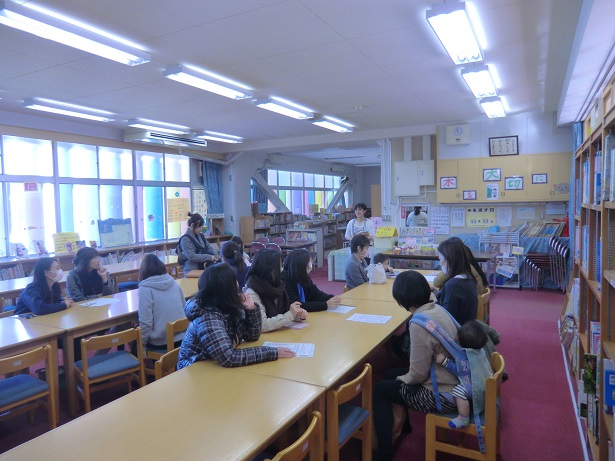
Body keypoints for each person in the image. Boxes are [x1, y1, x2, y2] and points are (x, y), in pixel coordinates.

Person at [373, 271, 459, 461]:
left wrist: (401, 378)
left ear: (403, 300)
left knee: (380, 390)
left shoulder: (418, 324)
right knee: (389, 375)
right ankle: (404, 426)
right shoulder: (437, 309)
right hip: (455, 380)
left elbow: (417, 375)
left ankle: (383, 453)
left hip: (442, 394)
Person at [177, 264, 296, 369]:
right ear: (226, 289)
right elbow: (229, 358)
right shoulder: (207, 316)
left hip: (213, 365)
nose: (238, 284)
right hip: (194, 370)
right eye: (234, 281)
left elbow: (252, 336)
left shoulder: (228, 305)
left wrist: (251, 310)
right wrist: (272, 353)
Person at [434, 320, 493, 429]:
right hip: (485, 383)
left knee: (457, 391)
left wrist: (445, 362)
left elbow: (459, 372)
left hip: (475, 387)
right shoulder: (480, 350)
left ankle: (463, 418)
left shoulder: (466, 357)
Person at [244, 249, 307, 332]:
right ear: (269, 270)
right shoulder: (252, 293)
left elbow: (285, 313)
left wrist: (298, 314)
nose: (282, 270)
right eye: (280, 266)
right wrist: (290, 315)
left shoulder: (278, 286)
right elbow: (262, 325)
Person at [137, 254, 186, 353]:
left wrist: (142, 345)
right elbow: (185, 308)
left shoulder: (145, 289)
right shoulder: (174, 283)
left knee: (135, 345)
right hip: (183, 338)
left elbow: (146, 323)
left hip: (161, 342)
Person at [435, 237, 478, 325]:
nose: (440, 264)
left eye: (440, 259)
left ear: (449, 260)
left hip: (456, 330)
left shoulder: (454, 285)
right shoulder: (468, 277)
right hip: (467, 327)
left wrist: (432, 299)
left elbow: (446, 318)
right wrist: (436, 293)